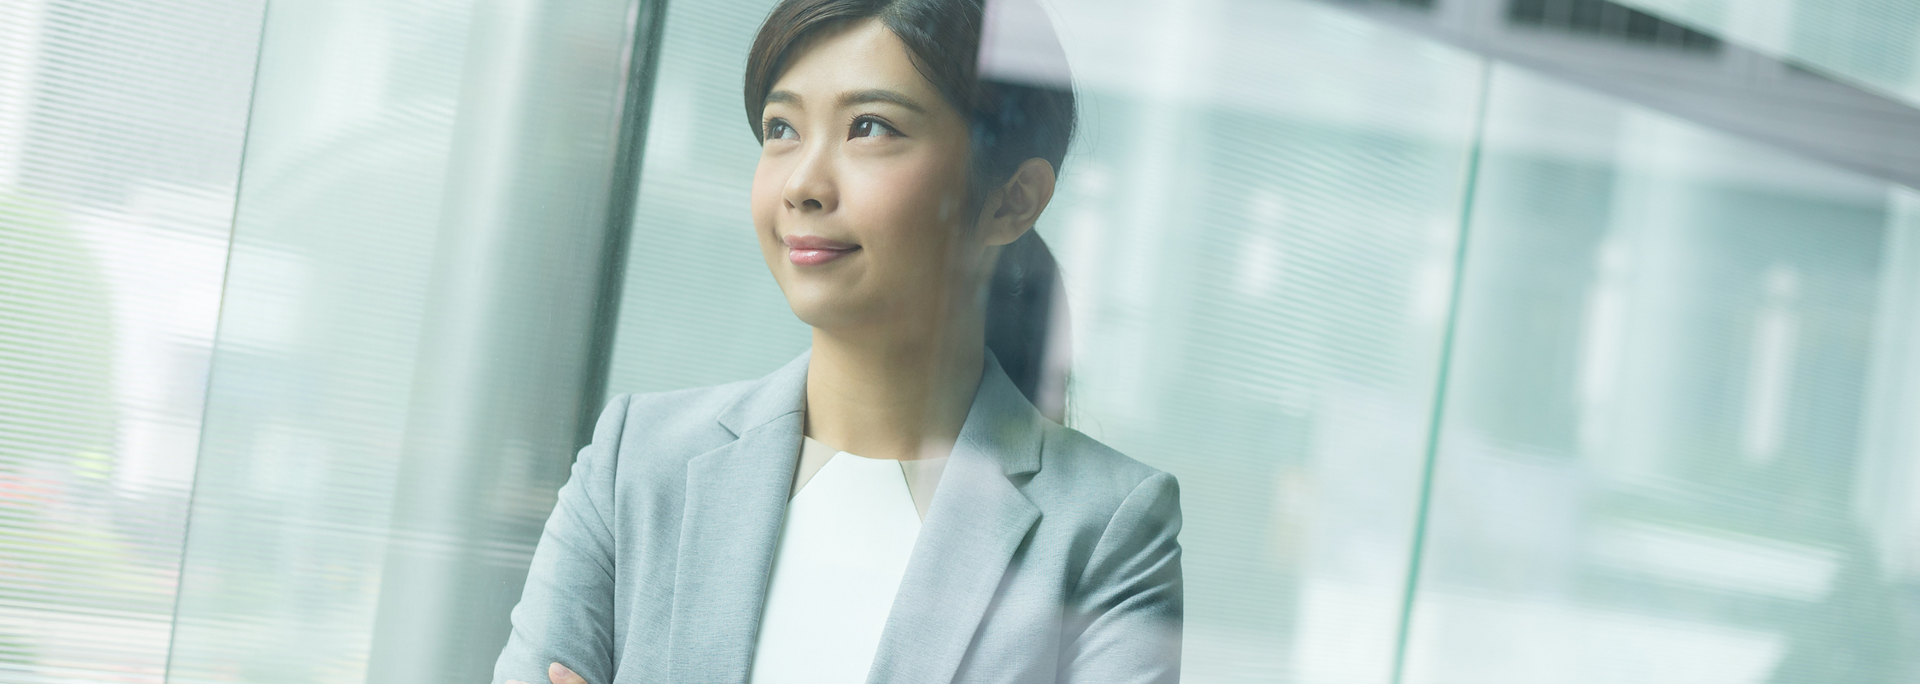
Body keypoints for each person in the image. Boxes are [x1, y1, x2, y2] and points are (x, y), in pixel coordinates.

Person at [495, 0, 1182, 682]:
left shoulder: (1108, 528)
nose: (803, 184)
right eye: (781, 128)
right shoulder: (636, 461)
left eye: (869, 127)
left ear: (1012, 199)